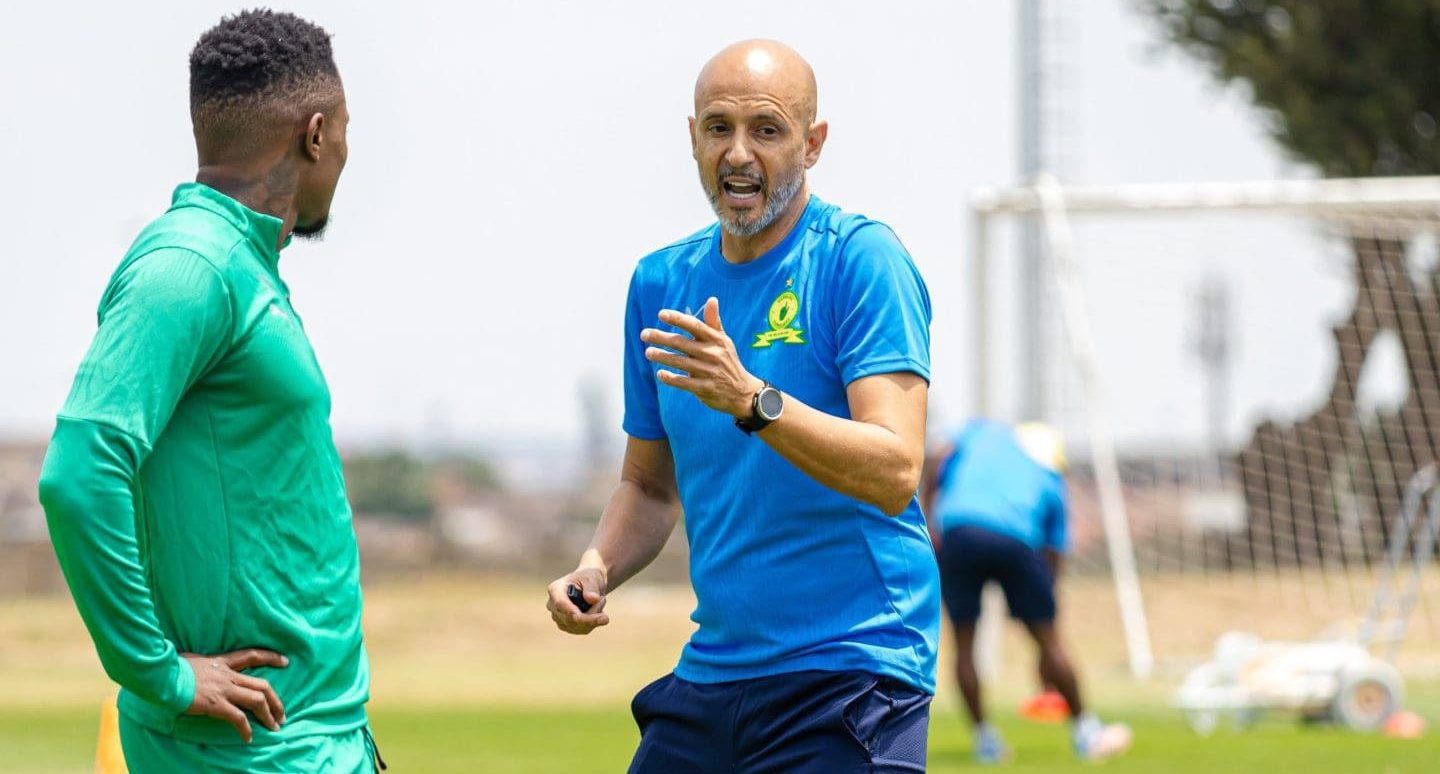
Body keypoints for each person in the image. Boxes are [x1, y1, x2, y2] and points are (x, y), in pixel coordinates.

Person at [546, 39, 939, 772]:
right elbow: (649, 485)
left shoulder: (861, 261)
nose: (738, 152)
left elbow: (894, 469)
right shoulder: (661, 283)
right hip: (716, 673)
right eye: (719, 127)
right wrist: (595, 567)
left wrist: (753, 401)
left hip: (852, 669)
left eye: (766, 129)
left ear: (812, 144)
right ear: (691, 137)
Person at [37, 10, 380, 771]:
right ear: (316, 133)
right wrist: (156, 671)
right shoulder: (190, 267)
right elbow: (78, 474)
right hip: (250, 754)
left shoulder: (241, 264)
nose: (349, 153)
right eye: (349, 130)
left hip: (306, 740)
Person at [921, 419, 1131, 764]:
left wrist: (929, 516)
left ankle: (985, 740)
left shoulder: (982, 433)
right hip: (1017, 540)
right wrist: (1043, 631)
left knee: (963, 642)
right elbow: (1053, 557)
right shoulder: (1050, 478)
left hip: (957, 533)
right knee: (1049, 640)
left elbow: (938, 455)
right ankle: (1086, 731)